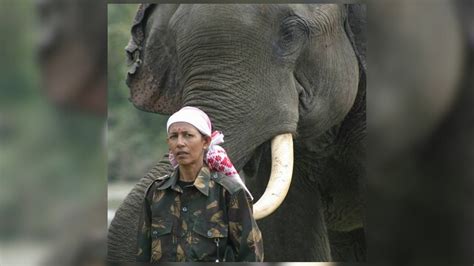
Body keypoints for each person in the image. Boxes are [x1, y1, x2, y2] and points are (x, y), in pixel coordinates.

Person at [136, 106, 264, 262]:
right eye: (174, 136)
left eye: (188, 135)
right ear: (168, 142)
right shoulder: (156, 192)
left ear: (206, 142)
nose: (180, 143)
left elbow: (251, 256)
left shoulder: (229, 192)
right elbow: (142, 256)